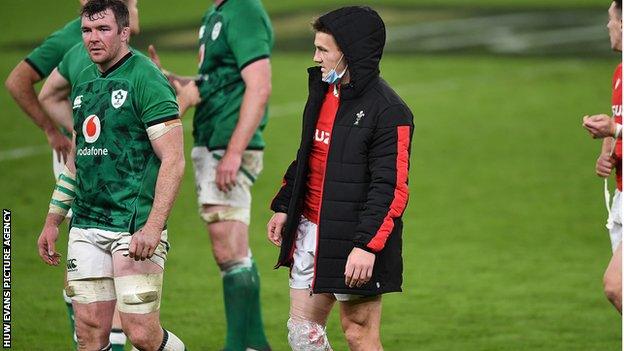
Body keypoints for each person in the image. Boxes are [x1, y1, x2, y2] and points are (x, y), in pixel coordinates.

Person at [36, 1, 187, 350]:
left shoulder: (147, 78)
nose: (93, 38)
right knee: (88, 330)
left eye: (103, 30)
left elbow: (174, 160)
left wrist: (153, 226)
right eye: (87, 31)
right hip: (86, 226)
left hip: (132, 225)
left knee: (141, 333)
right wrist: (53, 219)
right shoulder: (84, 80)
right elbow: (78, 160)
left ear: (124, 31)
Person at [267, 6, 413, 350]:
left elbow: (391, 187)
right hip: (310, 228)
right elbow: (309, 154)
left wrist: (366, 246)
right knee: (303, 334)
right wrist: (285, 205)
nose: (316, 57)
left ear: (350, 53)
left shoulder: (389, 110)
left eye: (323, 50)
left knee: (357, 332)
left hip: (354, 237)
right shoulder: (323, 91)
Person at [7, 1, 139, 349]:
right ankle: (90, 339)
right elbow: (20, 81)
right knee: (98, 266)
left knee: (92, 265)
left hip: (94, 162)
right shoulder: (75, 40)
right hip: (90, 167)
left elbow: (51, 93)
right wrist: (56, 132)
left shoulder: (120, 59)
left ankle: (89, 339)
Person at [149, 0, 273, 349]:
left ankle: (239, 345)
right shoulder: (215, 13)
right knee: (229, 251)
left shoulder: (244, 10)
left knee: (230, 249)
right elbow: (217, 80)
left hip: (226, 145)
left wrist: (233, 151)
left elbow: (259, 86)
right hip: (212, 140)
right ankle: (255, 345)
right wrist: (171, 80)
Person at [582, 0, 622, 314]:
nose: (607, 25)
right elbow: (617, 123)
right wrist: (607, 149)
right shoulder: (620, 73)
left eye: (611, 19)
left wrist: (615, 130)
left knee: (616, 285)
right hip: (621, 194)